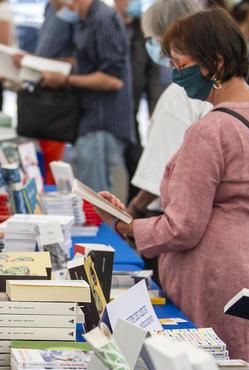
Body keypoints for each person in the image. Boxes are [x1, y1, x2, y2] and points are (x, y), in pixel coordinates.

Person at [97, 9, 249, 370]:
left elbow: (183, 226)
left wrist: (130, 227)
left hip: (217, 274)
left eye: (179, 62)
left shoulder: (209, 131)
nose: (174, 71)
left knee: (214, 365)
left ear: (213, 63)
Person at [42, 0, 137, 196]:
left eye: (57, 3)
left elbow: (113, 80)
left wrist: (66, 80)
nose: (57, 9)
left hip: (103, 124)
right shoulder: (84, 21)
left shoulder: (104, 20)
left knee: (95, 202)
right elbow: (85, 59)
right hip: (89, 121)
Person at [128, 0, 206, 216]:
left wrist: (133, 210)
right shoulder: (212, 83)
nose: (150, 45)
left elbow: (161, 169)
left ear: (165, 38)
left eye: (151, 38)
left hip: (174, 212)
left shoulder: (182, 93)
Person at [113, 0, 162, 200]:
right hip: (107, 107)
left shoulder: (143, 29)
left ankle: (134, 213)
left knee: (136, 162)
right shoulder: (108, 23)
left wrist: (154, 106)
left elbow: (153, 71)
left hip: (131, 108)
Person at [31, 1, 77, 185]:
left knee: (53, 157)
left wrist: (40, 63)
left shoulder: (73, 12)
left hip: (59, 96)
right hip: (42, 92)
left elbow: (78, 59)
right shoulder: (50, 8)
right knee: (41, 155)